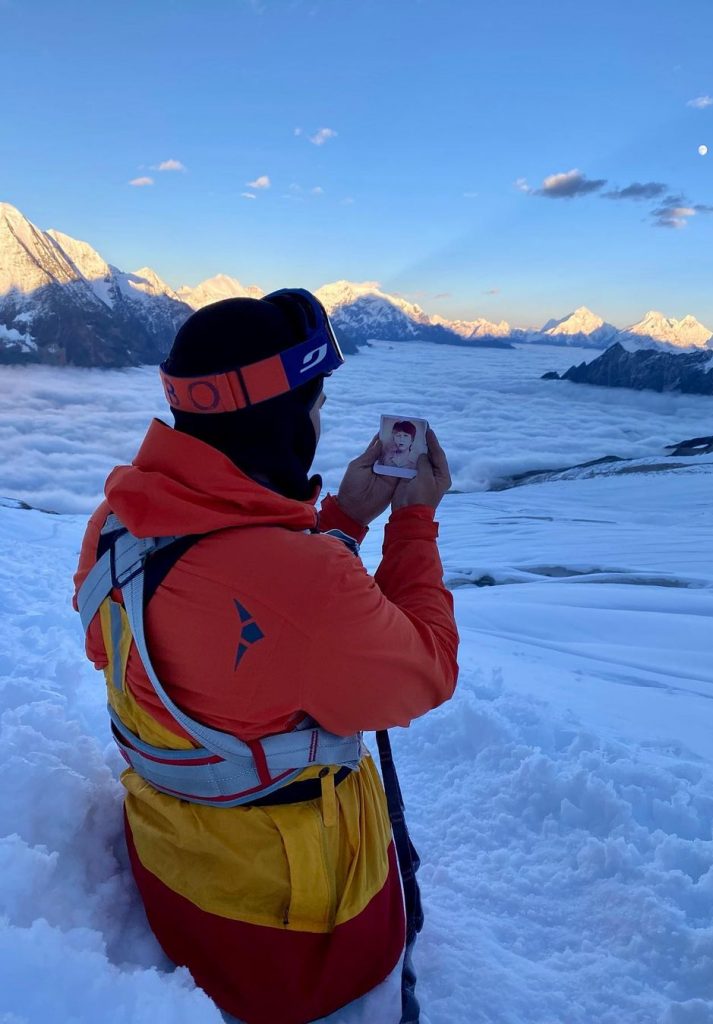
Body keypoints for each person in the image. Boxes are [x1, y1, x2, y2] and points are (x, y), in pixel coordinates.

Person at [73, 290, 459, 1024]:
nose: (319, 422)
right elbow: (428, 669)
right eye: (314, 405)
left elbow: (224, 618)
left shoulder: (117, 528)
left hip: (172, 877)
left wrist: (339, 520)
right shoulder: (305, 584)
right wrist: (412, 524)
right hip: (297, 945)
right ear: (279, 421)